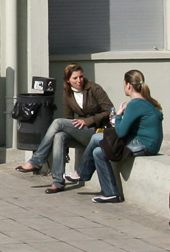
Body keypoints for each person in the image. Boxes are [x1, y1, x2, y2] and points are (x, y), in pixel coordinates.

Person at [17, 63, 112, 193]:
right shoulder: (67, 94)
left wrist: (88, 120)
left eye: (81, 77)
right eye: (75, 78)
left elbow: (109, 110)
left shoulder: (94, 89)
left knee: (57, 123)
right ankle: (57, 182)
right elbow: (68, 118)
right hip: (80, 132)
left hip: (96, 131)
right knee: (59, 135)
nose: (79, 80)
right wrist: (65, 148)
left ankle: (37, 160)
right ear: (68, 80)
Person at [82, 69, 163, 203]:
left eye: (124, 84)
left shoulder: (135, 104)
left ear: (128, 85)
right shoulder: (144, 102)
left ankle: (81, 173)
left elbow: (121, 132)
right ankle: (111, 193)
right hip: (146, 143)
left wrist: (118, 115)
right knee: (98, 152)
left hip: (145, 145)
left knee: (97, 138)